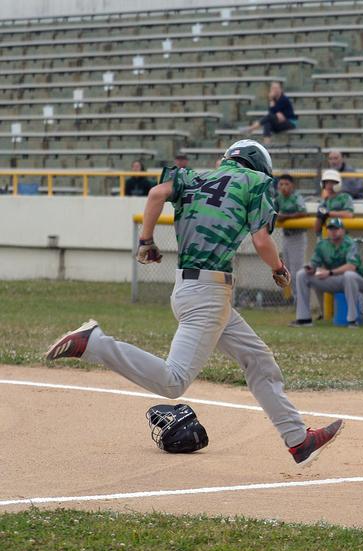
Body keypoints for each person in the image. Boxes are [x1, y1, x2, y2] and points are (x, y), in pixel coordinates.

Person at [45, 140, 343, 466]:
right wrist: (280, 270)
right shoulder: (257, 182)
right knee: (173, 382)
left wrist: (146, 240)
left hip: (192, 289)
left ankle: (299, 441)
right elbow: (261, 239)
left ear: (230, 158)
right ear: (259, 165)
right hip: (209, 295)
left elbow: (156, 194)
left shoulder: (193, 176)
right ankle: (95, 344)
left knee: (259, 361)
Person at [292, 218, 363, 328]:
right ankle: (304, 319)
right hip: (333, 279)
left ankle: (352, 320)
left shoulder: (350, 243)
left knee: (349, 275)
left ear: (342, 230)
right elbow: (314, 262)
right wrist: (311, 268)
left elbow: (351, 266)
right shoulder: (323, 244)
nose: (333, 231)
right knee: (302, 274)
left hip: (356, 281)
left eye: (336, 229)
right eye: (330, 229)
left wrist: (329, 272)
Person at [275, 174, 309, 291]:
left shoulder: (296, 197)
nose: (284, 187)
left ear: (292, 186)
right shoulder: (279, 198)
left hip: (297, 236)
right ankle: (294, 300)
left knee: (297, 272)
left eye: (287, 184)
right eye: (281, 184)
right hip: (286, 236)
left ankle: (300, 302)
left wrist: (286, 217)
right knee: (287, 269)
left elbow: (303, 213)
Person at [314, 169, 354, 234]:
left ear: (338, 184)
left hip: (341, 237)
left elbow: (349, 214)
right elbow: (316, 229)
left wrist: (329, 213)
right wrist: (319, 217)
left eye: (332, 182)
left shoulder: (345, 197)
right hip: (326, 237)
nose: (329, 185)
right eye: (327, 183)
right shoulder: (324, 201)